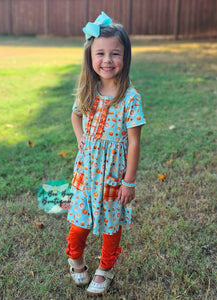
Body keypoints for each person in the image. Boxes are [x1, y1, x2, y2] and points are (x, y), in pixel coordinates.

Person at [65, 11, 146, 296]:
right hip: (87, 174)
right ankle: (75, 259)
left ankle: (104, 268)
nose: (108, 60)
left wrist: (129, 181)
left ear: (125, 58)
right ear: (90, 57)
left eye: (115, 53)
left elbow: (134, 142)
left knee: (112, 227)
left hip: (113, 176)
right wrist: (81, 140)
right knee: (79, 224)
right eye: (100, 53)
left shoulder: (130, 98)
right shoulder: (88, 90)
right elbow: (76, 117)